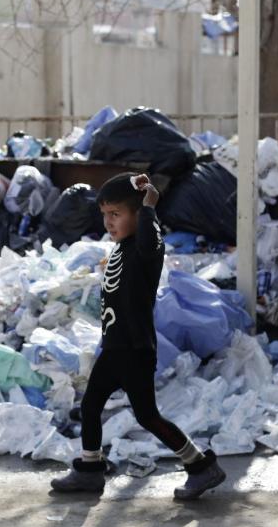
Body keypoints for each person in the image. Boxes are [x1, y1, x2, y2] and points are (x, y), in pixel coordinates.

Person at [51, 173, 226, 500]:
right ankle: (90, 470)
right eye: (104, 214)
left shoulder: (147, 247)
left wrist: (149, 207)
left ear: (136, 215)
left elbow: (149, 239)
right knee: (90, 406)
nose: (108, 222)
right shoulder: (121, 248)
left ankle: (200, 466)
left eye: (116, 214)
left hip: (134, 350)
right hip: (115, 347)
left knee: (147, 416)